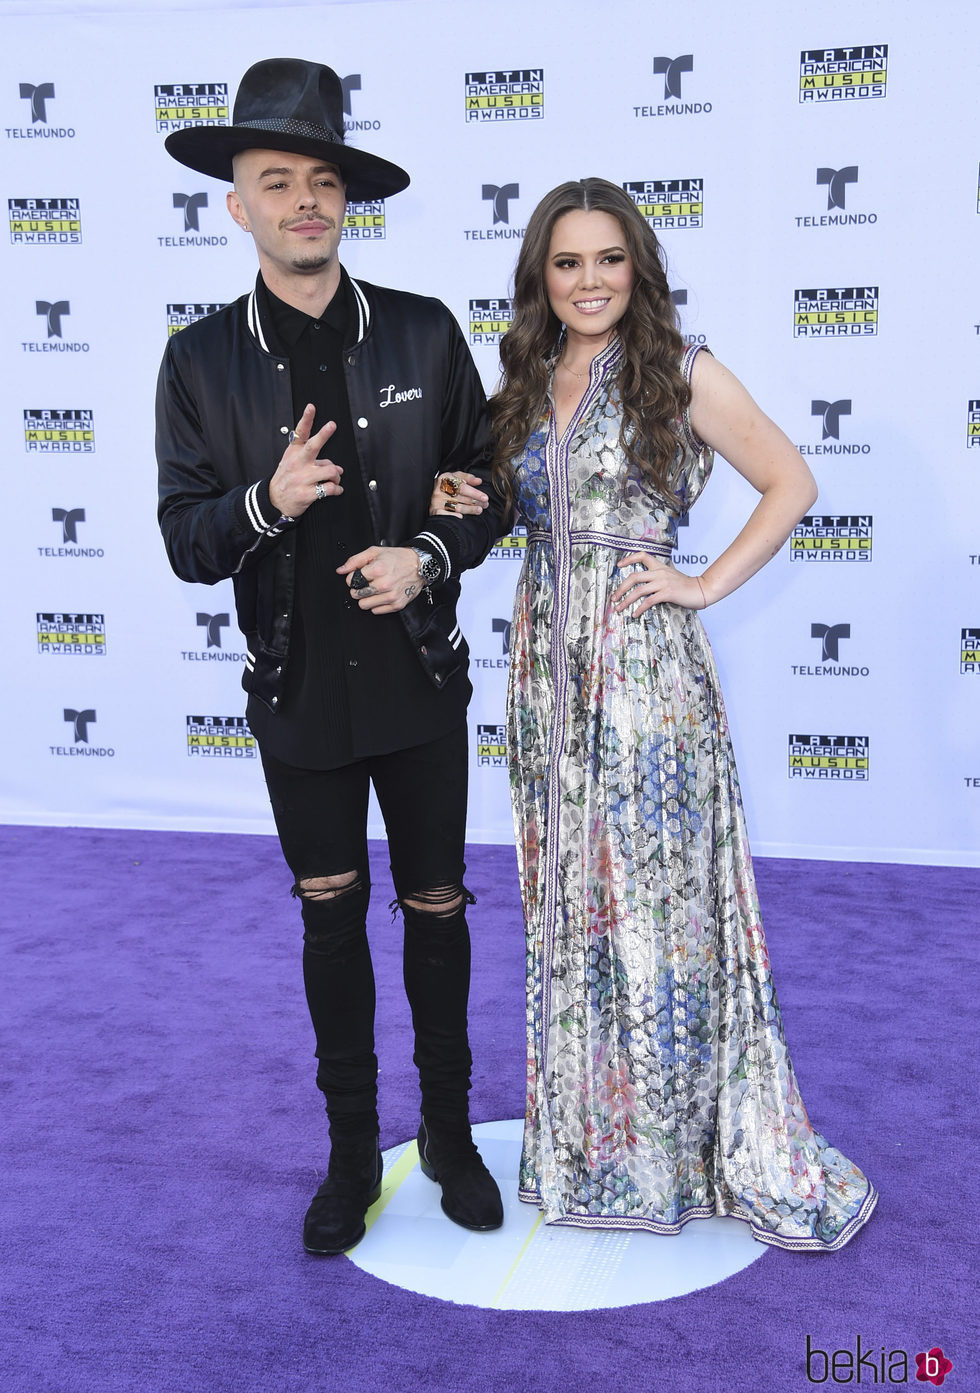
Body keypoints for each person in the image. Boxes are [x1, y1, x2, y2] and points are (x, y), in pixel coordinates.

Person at [431, 178, 877, 1251]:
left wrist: (700, 582)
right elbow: (514, 507)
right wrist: (467, 497)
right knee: (567, 907)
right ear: (541, 275)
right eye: (567, 262)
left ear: (639, 269)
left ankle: (670, 1153)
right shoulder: (524, 376)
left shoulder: (682, 372)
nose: (589, 282)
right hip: (542, 672)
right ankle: (588, 1143)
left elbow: (790, 481)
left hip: (640, 677)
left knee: (654, 911)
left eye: (609, 260)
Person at [156, 58, 507, 1256]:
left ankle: (449, 1138)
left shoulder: (418, 327)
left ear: (345, 200)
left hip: (416, 680)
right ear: (235, 204)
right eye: (275, 181)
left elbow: (486, 484)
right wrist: (265, 500)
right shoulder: (198, 361)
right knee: (328, 917)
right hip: (296, 693)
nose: (303, 200)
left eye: (321, 181)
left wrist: (429, 553)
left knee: (438, 907)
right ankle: (353, 1154)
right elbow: (186, 543)